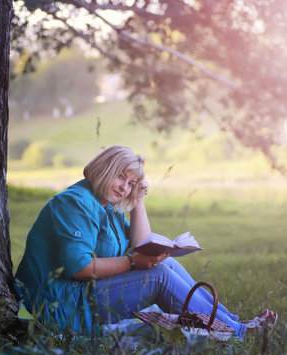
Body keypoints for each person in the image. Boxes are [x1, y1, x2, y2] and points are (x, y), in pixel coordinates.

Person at [14, 145, 277, 338]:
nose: (123, 187)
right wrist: (132, 262)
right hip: (58, 304)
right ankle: (238, 333)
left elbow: (141, 244)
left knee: (166, 265)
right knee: (158, 275)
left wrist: (138, 199)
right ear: (104, 168)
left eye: (130, 183)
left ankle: (233, 323)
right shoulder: (75, 202)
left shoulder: (106, 206)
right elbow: (79, 267)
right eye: (120, 177)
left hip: (82, 293)